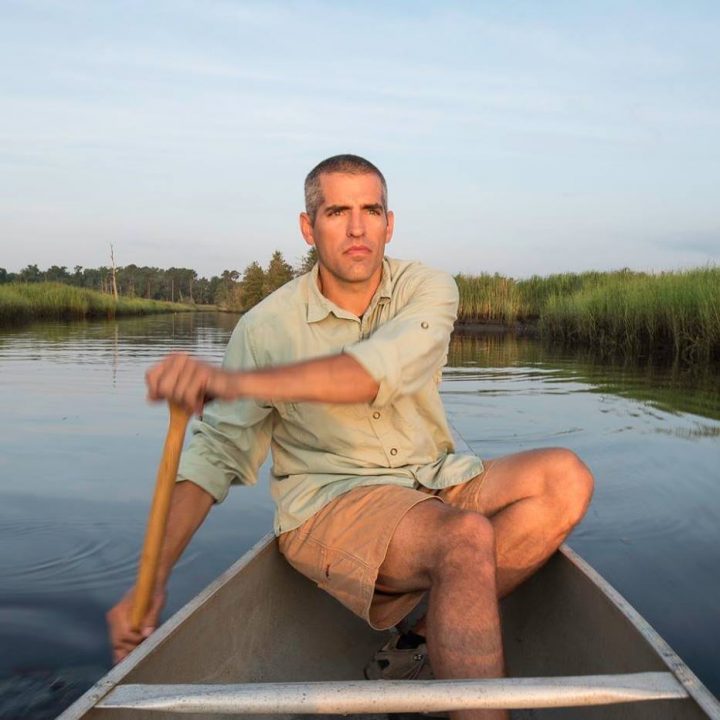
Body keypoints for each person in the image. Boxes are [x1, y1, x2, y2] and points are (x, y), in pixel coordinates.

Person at [107, 154, 594, 720]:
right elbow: (217, 455)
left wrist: (229, 380)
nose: (358, 227)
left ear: (391, 222)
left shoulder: (428, 288)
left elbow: (373, 372)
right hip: (335, 501)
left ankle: (416, 642)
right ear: (308, 227)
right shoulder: (265, 328)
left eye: (371, 210)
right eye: (337, 211)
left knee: (566, 478)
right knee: (465, 539)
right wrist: (152, 579)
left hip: (433, 478)